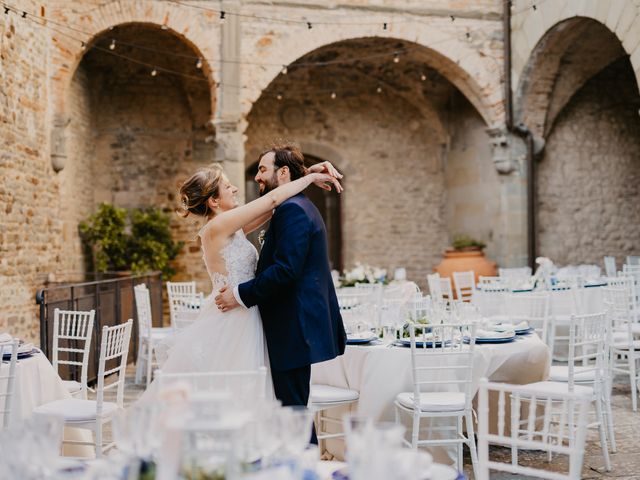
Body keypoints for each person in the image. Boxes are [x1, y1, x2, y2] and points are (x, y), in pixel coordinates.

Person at [147, 157, 343, 400]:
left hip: (247, 312)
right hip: (233, 318)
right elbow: (271, 199)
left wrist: (302, 172)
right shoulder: (217, 226)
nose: (236, 188)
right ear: (214, 201)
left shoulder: (231, 225)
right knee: (236, 392)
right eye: (228, 187)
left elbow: (273, 206)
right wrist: (312, 178)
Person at [215, 143, 347, 444]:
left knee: (293, 413)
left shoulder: (293, 211)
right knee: (292, 409)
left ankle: (306, 468)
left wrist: (238, 295)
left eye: (263, 169)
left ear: (283, 172)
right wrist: (308, 173)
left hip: (292, 326)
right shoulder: (293, 205)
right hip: (290, 326)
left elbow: (286, 270)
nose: (257, 177)